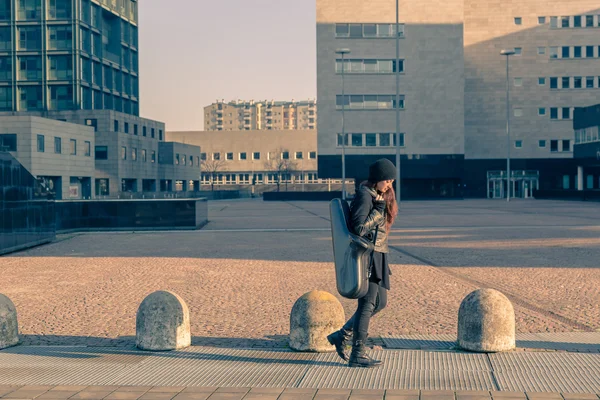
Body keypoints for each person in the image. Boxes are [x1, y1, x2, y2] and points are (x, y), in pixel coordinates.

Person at [327, 158, 398, 368]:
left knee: (380, 303)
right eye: (387, 180)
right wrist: (379, 210)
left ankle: (342, 335)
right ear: (376, 179)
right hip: (369, 256)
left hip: (379, 254)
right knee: (367, 304)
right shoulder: (365, 196)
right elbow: (359, 228)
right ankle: (357, 353)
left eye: (391, 181)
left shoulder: (376, 195)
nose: (389, 185)